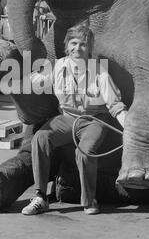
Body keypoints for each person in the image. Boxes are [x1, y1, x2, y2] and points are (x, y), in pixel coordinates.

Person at [21, 22, 128, 216]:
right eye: (74, 43)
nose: (77, 48)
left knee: (85, 152)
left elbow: (116, 106)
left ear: (89, 48)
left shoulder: (100, 73)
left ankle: (89, 200)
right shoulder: (57, 66)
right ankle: (40, 197)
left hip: (94, 120)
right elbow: (30, 83)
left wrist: (130, 130)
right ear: (67, 45)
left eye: (83, 44)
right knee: (41, 137)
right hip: (68, 119)